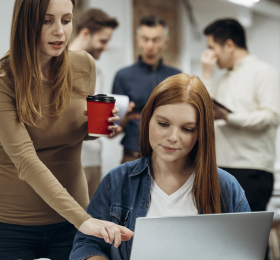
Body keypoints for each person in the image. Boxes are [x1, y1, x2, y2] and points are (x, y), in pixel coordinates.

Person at [0, 1, 133, 259]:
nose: (60, 31)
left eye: (66, 20)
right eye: (47, 21)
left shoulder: (84, 65)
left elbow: (75, 134)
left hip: (72, 218)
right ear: (26, 23)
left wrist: (95, 128)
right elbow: (26, 160)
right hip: (7, 224)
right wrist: (83, 219)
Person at [69, 73, 251, 260]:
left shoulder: (225, 187)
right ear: (147, 119)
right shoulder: (117, 181)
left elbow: (247, 249)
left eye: (187, 129)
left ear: (201, 133)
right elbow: (87, 245)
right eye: (163, 124)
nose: (173, 137)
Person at [200, 19, 280, 260]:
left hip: (252, 168)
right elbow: (204, 110)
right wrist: (206, 75)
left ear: (229, 45)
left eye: (212, 47)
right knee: (222, 240)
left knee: (249, 242)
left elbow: (271, 116)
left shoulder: (263, 71)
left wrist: (230, 118)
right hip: (221, 167)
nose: (209, 54)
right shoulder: (223, 78)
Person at [112, 15, 181, 164]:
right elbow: (115, 127)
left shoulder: (178, 77)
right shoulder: (123, 76)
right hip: (133, 156)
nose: (150, 46)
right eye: (145, 39)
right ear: (137, 40)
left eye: (156, 40)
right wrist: (123, 118)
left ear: (166, 42)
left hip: (171, 158)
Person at [69, 8, 119, 200]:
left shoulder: (98, 71)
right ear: (86, 33)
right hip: (71, 161)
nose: (106, 47)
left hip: (93, 159)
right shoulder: (59, 67)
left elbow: (95, 124)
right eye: (103, 41)